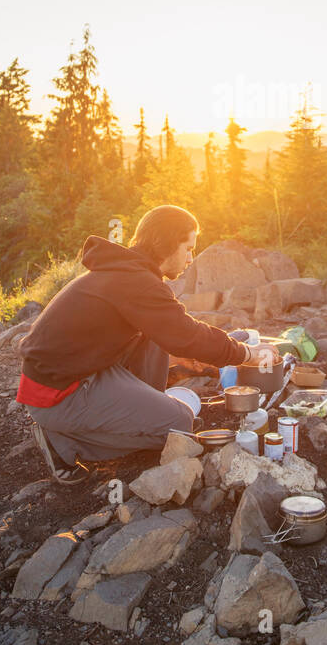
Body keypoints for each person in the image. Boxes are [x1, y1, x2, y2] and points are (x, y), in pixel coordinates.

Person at [16, 204, 278, 483]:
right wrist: (248, 353)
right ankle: (64, 442)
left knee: (156, 338)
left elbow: (172, 333)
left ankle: (137, 413)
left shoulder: (128, 272)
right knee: (179, 426)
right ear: (163, 243)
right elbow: (187, 334)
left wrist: (177, 358)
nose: (191, 258)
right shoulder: (135, 280)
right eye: (187, 248)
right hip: (59, 393)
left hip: (77, 372)